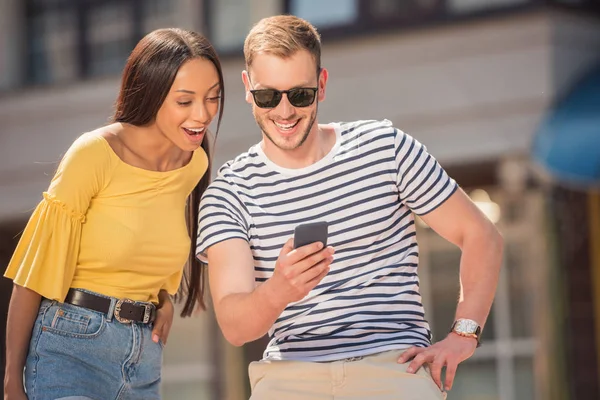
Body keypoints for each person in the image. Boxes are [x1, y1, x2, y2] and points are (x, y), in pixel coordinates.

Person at [196, 15, 503, 400]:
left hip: (393, 367)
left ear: (321, 85)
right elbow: (235, 326)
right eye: (268, 96)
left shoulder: (385, 148)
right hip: (291, 378)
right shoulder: (229, 191)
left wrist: (464, 335)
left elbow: (481, 235)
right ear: (247, 88)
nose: (285, 111)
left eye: (300, 95)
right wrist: (279, 290)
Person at [3, 28, 224, 400]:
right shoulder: (94, 153)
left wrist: (163, 301)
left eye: (213, 98)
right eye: (185, 101)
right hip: (71, 349)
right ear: (153, 94)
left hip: (143, 363)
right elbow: (32, 275)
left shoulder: (193, 163)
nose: (202, 115)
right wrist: (11, 381)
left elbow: (148, 248)